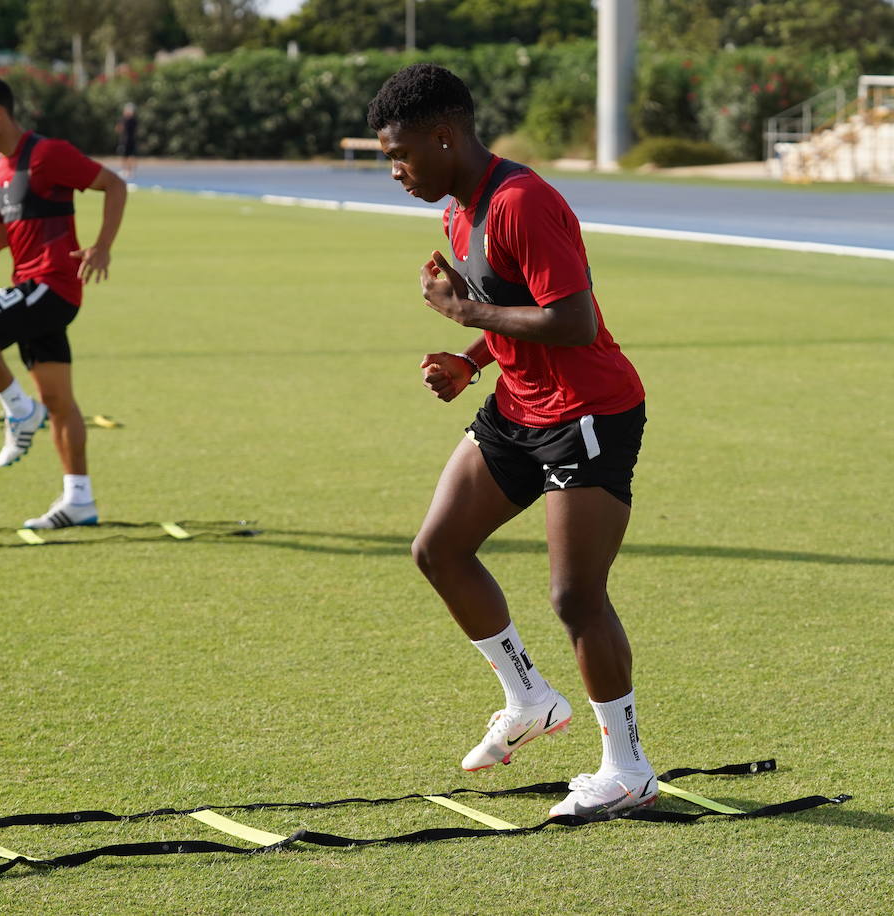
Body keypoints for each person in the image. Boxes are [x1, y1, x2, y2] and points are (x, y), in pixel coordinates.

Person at [367, 64, 657, 818]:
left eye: (400, 154)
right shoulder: (455, 215)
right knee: (438, 549)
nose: (394, 171)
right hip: (518, 410)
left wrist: (465, 321)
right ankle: (529, 697)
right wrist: (468, 363)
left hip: (588, 414)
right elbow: (506, 311)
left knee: (575, 597)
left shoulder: (524, 202)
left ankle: (628, 770)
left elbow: (572, 322)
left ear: (444, 135)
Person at [0, 73, 128, 529]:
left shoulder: (49, 154)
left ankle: (18, 409)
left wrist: (102, 244)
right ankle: (80, 500)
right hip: (31, 289)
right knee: (59, 402)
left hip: (52, 286)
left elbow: (114, 185)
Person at [115, 102, 138, 180]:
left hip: (129, 140)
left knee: (129, 156)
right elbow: (118, 129)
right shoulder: (124, 119)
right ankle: (125, 170)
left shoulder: (131, 120)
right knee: (124, 156)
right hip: (124, 140)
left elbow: (121, 128)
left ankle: (129, 170)